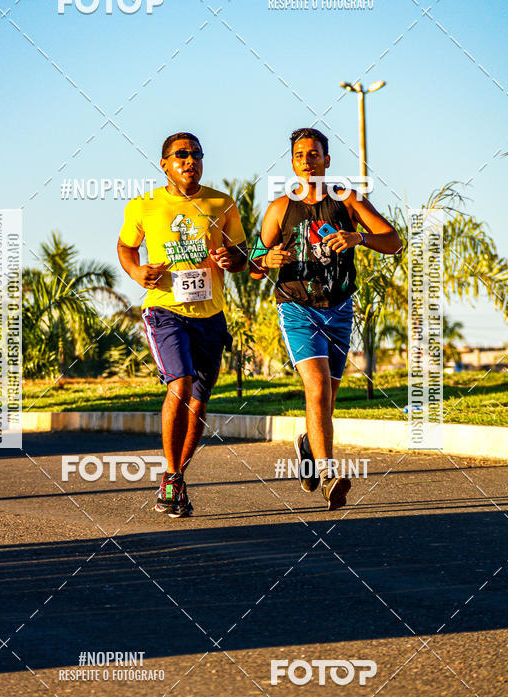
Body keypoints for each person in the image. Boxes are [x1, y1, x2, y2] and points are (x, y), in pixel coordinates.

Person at [250, 128, 402, 510]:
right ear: (292, 163)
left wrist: (358, 239)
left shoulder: (347, 200)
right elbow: (251, 261)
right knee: (316, 389)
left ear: (327, 160)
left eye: (314, 154)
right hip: (296, 306)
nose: (307, 160)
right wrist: (265, 261)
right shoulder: (280, 208)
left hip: (339, 309)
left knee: (328, 399)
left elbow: (393, 241)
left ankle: (307, 444)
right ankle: (329, 474)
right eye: (300, 155)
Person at [118, 132, 247, 517]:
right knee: (180, 383)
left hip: (211, 314)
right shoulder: (145, 205)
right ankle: (172, 476)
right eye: (182, 155)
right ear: (165, 163)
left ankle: (175, 477)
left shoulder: (221, 203)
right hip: (165, 310)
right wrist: (137, 272)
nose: (191, 161)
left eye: (197, 155)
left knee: (199, 400)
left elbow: (243, 253)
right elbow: (126, 247)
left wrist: (232, 258)